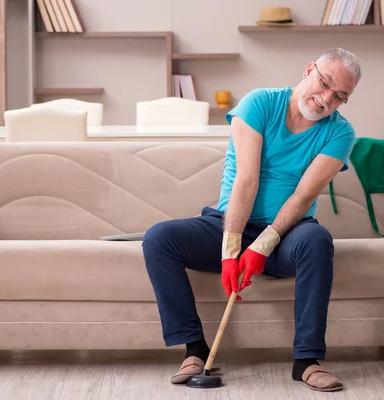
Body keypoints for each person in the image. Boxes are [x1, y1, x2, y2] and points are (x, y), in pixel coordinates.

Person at [142, 47, 361, 392]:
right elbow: (247, 179)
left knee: (317, 241)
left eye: (339, 97)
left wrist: (262, 247)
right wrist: (231, 251)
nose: (325, 99)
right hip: (229, 225)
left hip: (287, 236)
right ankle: (195, 349)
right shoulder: (260, 103)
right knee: (159, 238)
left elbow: (303, 196)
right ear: (308, 70)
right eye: (324, 84)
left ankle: (307, 361)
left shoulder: (340, 133)